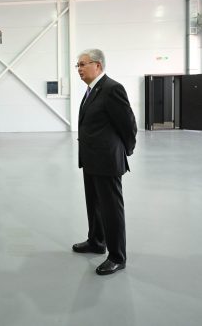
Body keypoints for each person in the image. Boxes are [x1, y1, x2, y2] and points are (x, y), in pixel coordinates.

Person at [72, 48, 137, 276]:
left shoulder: (111, 89)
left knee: (111, 209)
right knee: (94, 204)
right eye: (77, 65)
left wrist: (125, 150)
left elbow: (128, 124)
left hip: (107, 160)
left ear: (97, 65)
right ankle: (97, 241)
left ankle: (117, 256)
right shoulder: (92, 90)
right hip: (91, 159)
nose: (79, 69)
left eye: (83, 64)